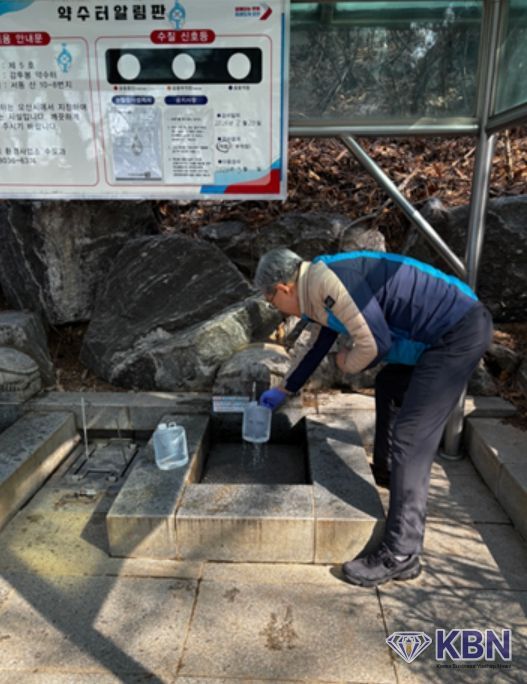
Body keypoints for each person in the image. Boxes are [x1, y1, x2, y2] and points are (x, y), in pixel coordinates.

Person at [254, 247, 493, 587]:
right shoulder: (317, 286)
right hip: (449, 330)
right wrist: (285, 389)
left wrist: (347, 362)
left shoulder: (326, 283)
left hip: (457, 332)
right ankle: (389, 472)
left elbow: (375, 343)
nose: (276, 309)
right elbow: (319, 344)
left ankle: (401, 554)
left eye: (272, 302)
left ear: (283, 288)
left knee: (411, 437)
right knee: (390, 384)